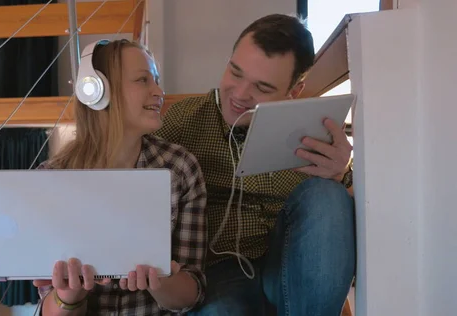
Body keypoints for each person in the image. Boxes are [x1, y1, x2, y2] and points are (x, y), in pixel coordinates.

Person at [153, 14, 356, 316]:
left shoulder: (315, 130)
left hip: (294, 263)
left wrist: (341, 177)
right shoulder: (183, 121)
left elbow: (350, 219)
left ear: (295, 91)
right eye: (235, 73)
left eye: (262, 88)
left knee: (327, 196)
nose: (240, 94)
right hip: (220, 268)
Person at [32, 39, 208, 315]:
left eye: (157, 81)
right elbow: (50, 307)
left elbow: (191, 294)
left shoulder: (179, 168)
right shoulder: (51, 180)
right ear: (97, 92)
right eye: (143, 80)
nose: (159, 92)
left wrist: (160, 279)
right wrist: (70, 295)